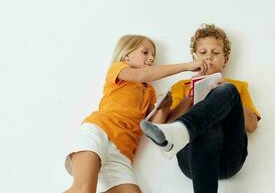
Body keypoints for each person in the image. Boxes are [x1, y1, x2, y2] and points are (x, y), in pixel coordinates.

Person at [64, 34, 206, 193]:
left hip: (122, 152)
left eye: (153, 55)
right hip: (99, 132)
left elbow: (158, 125)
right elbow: (141, 75)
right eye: (145, 52)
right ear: (126, 55)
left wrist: (171, 104)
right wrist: (187, 66)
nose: (151, 58)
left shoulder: (150, 91)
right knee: (84, 190)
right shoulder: (119, 69)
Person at [141, 24, 261, 193]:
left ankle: (184, 129)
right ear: (194, 57)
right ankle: (182, 130)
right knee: (205, 128)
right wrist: (188, 98)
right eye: (203, 53)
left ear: (225, 60)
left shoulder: (236, 86)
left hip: (228, 159)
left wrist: (230, 96)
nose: (209, 57)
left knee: (226, 91)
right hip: (191, 161)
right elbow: (162, 127)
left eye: (215, 53)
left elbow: (252, 126)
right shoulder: (181, 87)